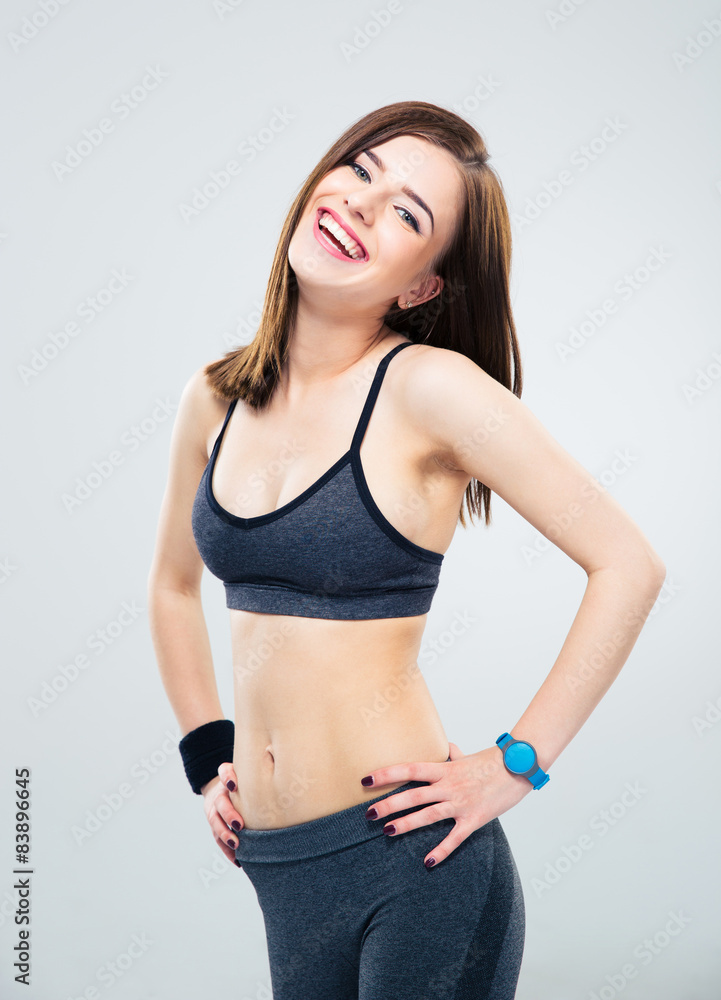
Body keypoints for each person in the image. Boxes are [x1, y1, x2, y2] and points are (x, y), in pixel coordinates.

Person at [147, 100, 666, 999]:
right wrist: (207, 757)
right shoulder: (214, 394)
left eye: (406, 213)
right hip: (279, 869)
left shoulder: (428, 389)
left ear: (421, 284)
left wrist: (514, 766)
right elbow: (169, 586)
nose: (359, 201)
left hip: (417, 864)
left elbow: (627, 565)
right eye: (358, 170)